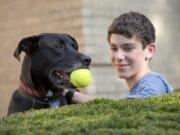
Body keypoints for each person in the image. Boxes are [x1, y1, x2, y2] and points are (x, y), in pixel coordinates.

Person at [65, 11, 173, 103]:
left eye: (128, 48)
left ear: (149, 51)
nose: (118, 56)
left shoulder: (153, 84)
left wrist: (73, 96)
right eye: (114, 48)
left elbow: (125, 110)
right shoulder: (140, 88)